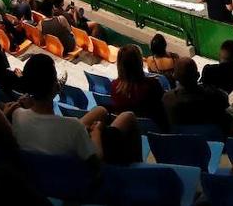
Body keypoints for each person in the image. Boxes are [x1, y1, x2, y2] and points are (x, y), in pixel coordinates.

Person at [8, 53, 140, 164]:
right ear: (55, 87)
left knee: (101, 110)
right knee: (126, 117)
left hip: (43, 176)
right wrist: (97, 133)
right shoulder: (73, 127)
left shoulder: (17, 116)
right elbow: (96, 161)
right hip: (74, 182)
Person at [163, 56, 233, 135]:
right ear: (197, 75)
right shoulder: (213, 95)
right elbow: (225, 100)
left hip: (185, 141)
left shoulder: (167, 98)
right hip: (216, 137)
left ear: (175, 76)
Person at [110, 44, 166, 126]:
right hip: (152, 129)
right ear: (139, 62)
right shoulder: (152, 84)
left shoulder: (114, 86)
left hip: (127, 131)